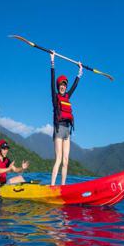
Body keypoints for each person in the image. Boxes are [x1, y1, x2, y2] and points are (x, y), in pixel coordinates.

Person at [50, 52, 83, 186]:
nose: (63, 86)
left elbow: (75, 86)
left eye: (64, 85)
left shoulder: (67, 97)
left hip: (67, 131)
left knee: (66, 160)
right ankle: (52, 185)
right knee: (58, 159)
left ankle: (63, 186)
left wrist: (80, 71)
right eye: (61, 85)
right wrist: (52, 61)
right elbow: (52, 81)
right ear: (59, 87)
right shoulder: (55, 97)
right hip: (58, 129)